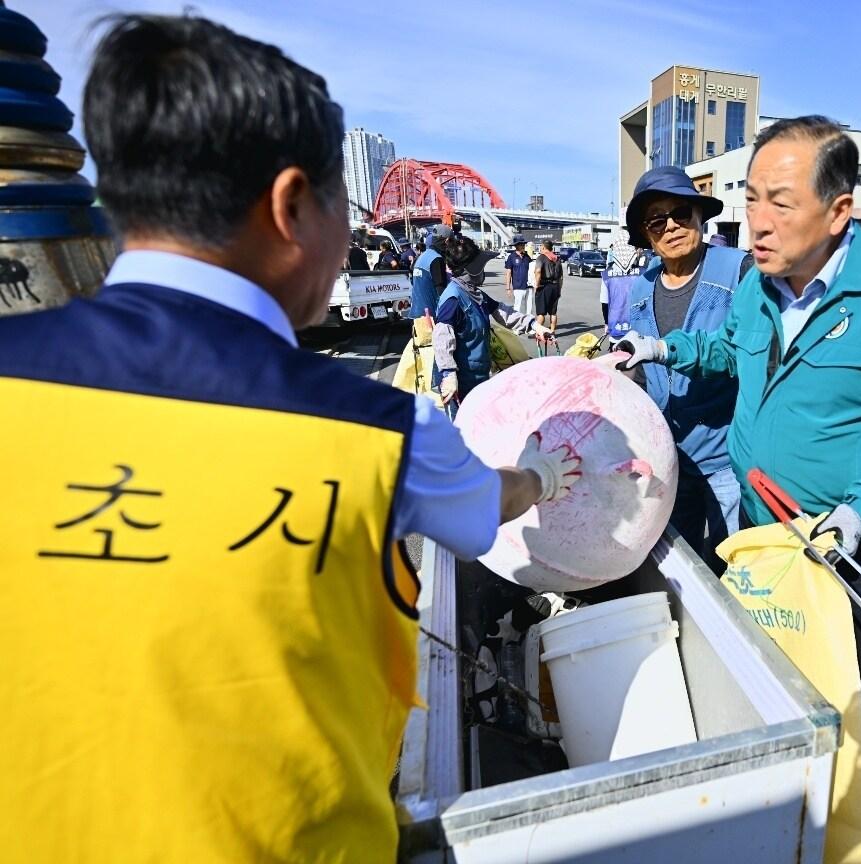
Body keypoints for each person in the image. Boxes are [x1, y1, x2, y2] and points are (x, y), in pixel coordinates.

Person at [0, 16, 581, 861]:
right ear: (290, 206)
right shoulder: (382, 433)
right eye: (341, 205)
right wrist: (531, 476)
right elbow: (481, 512)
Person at [615, 115, 861, 713]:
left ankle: (846, 797)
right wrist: (661, 348)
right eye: (752, 201)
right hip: (762, 527)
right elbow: (728, 351)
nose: (760, 222)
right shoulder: (757, 287)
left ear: (837, 210)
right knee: (766, 672)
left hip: (845, 544)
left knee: (844, 691)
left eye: (782, 202)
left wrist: (859, 512)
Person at [621, 166, 753, 569]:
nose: (672, 227)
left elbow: (740, 353)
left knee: (741, 568)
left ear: (700, 216)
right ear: (646, 234)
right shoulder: (641, 286)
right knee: (682, 565)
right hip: (671, 456)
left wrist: (664, 350)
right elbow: (643, 375)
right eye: (657, 221)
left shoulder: (740, 271)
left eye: (681, 213)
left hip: (727, 458)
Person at [433, 233, 553, 401]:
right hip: (458, 384)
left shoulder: (474, 293)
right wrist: (448, 374)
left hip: (479, 375)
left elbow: (502, 312)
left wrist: (534, 325)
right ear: (472, 269)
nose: (484, 270)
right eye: (481, 266)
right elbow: (442, 337)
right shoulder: (453, 299)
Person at [601, 227, 646, 339]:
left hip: (615, 328)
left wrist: (607, 323)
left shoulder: (607, 275)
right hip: (638, 330)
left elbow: (604, 303)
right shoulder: (642, 272)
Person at [410, 231, 448, 319]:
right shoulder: (436, 259)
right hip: (430, 315)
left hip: (418, 312)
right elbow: (441, 291)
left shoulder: (421, 257)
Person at [534, 238, 563, 332]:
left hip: (544, 286)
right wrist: (559, 289)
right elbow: (561, 277)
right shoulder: (557, 259)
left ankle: (539, 332)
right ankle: (552, 331)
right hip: (556, 287)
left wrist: (536, 285)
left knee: (541, 312)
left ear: (543, 247)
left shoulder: (541, 257)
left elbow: (538, 271)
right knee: (553, 312)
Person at [503, 233, 534, 316]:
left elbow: (532, 270)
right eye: (521, 244)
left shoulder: (527, 257)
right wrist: (508, 288)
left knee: (529, 309)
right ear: (516, 246)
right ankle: (517, 327)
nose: (523, 246)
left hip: (529, 286)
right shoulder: (511, 257)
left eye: (524, 244)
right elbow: (508, 273)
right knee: (518, 308)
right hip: (518, 287)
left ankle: (529, 325)